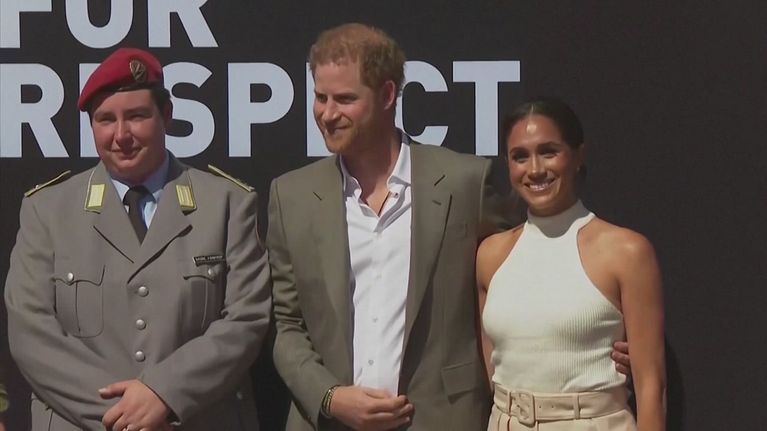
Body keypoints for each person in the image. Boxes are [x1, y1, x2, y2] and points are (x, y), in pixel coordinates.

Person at [269, 24, 631, 430]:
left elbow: (528, 273)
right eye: (320, 97)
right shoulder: (291, 196)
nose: (327, 113)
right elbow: (287, 325)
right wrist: (330, 396)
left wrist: (599, 342)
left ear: (387, 95)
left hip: (443, 418)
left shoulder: (465, 183)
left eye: (345, 99)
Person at [4, 47, 271, 431]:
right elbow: (32, 334)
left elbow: (246, 320)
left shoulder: (227, 204)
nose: (121, 135)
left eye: (136, 116)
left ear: (167, 115)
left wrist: (165, 395)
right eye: (105, 120)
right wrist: (125, 415)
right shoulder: (47, 211)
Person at [477, 98, 666, 430]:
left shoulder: (626, 252)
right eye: (520, 156)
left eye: (548, 151)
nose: (535, 169)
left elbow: (652, 388)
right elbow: (492, 365)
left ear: (578, 156)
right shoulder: (490, 255)